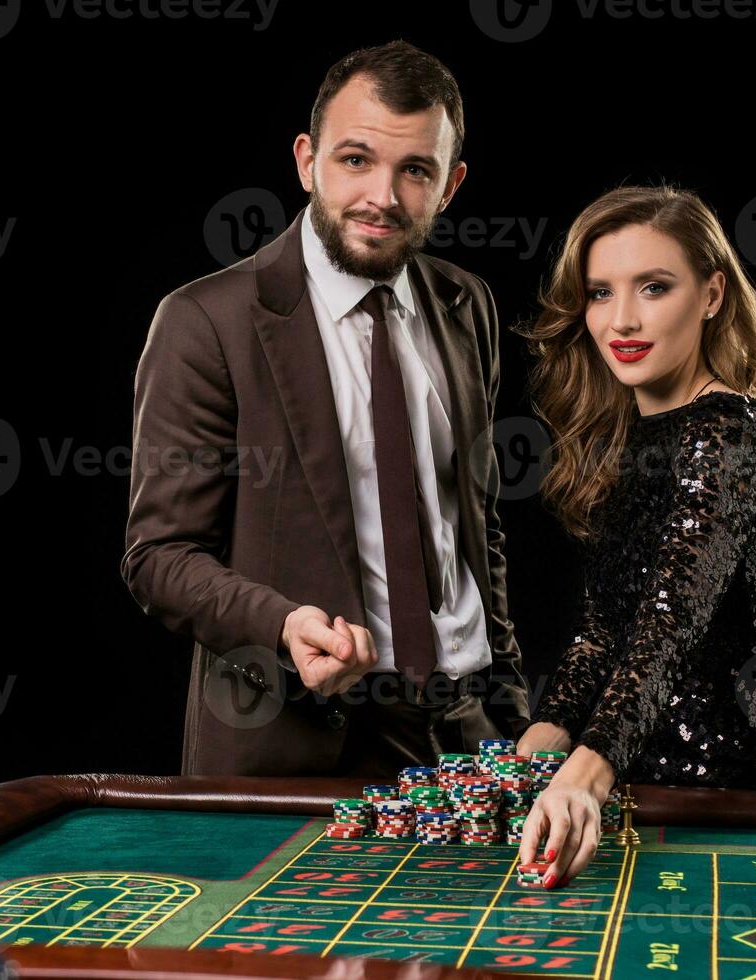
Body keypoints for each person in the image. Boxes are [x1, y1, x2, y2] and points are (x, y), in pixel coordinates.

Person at [121, 40, 532, 777]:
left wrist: (511, 701)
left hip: (473, 730)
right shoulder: (206, 321)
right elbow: (159, 557)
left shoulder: (467, 304)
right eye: (355, 160)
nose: (382, 196)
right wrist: (281, 625)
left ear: (450, 185)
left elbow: (474, 520)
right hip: (300, 739)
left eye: (415, 170)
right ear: (307, 160)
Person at [512, 183, 756, 888]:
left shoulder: (735, 434)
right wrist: (540, 742)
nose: (622, 318)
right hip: (628, 789)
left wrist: (583, 772)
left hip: (729, 804)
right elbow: (603, 634)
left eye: (653, 287)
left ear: (712, 294)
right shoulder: (629, 440)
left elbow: (668, 628)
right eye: (599, 293)